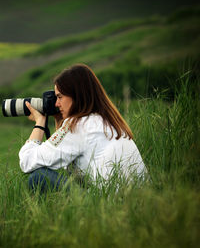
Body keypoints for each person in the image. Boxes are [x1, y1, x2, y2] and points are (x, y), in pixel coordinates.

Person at [19, 63, 147, 193]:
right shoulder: (106, 120)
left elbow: (27, 161)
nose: (57, 104)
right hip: (137, 201)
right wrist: (59, 120)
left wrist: (40, 122)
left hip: (107, 204)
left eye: (60, 97)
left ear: (76, 95)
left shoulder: (79, 125)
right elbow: (69, 164)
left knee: (38, 177)